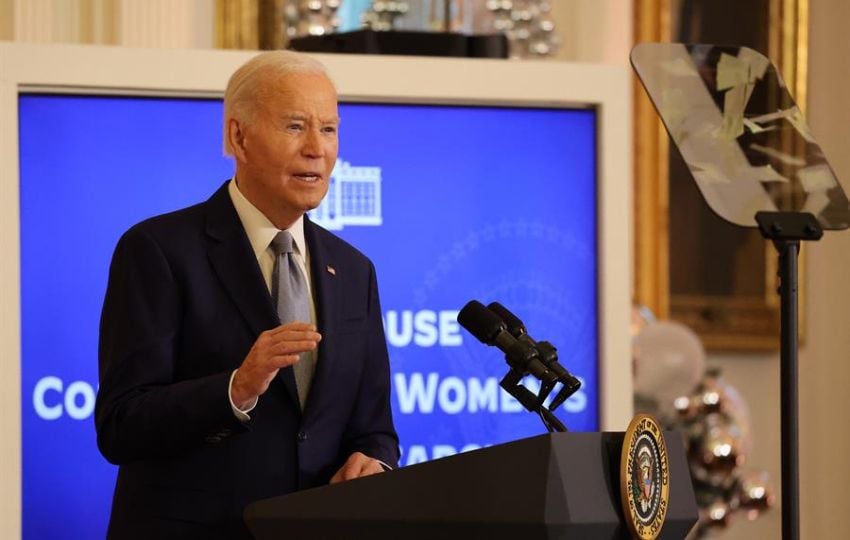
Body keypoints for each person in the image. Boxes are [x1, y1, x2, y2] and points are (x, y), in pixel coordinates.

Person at [94, 50, 399, 539]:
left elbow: (375, 428)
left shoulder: (355, 270)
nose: (316, 149)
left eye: (329, 129)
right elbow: (120, 425)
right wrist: (235, 388)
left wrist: (376, 462)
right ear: (239, 136)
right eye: (296, 126)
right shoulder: (159, 249)